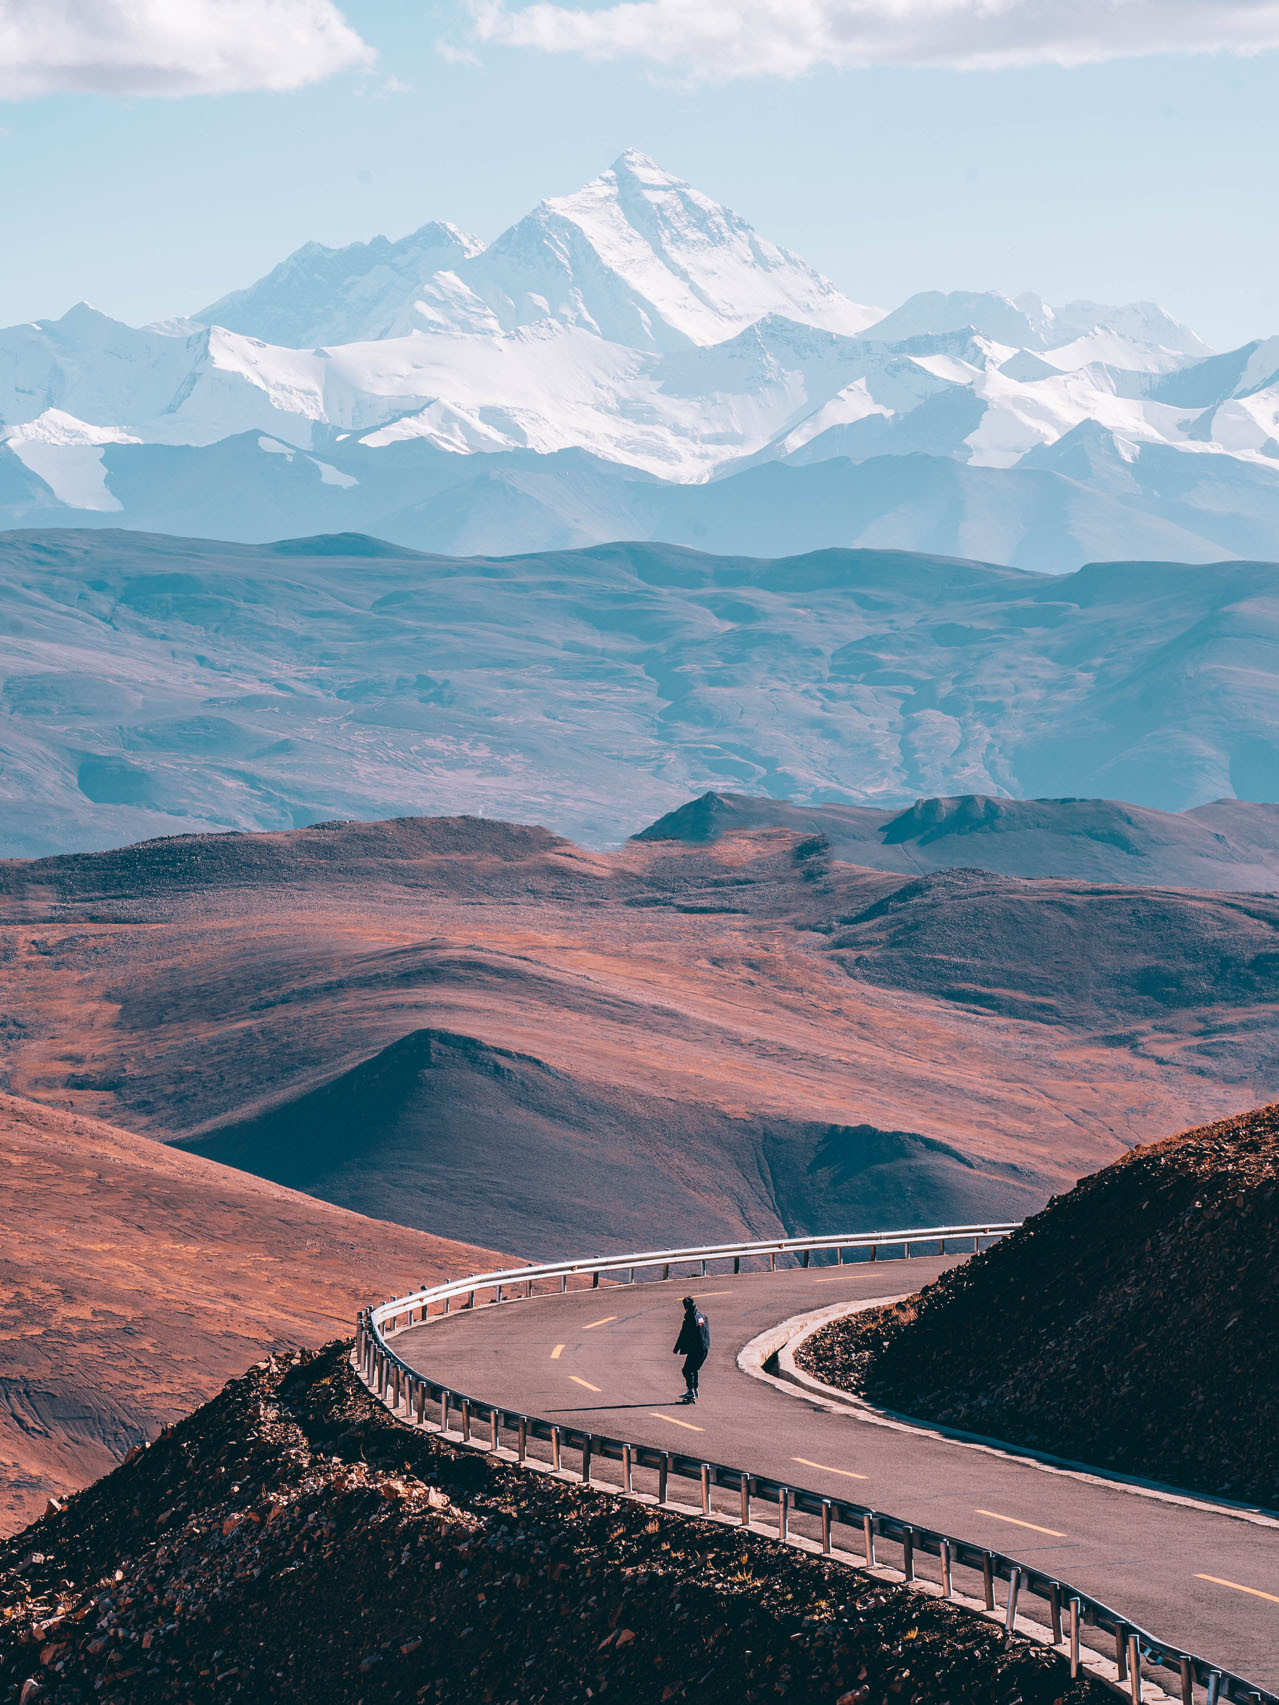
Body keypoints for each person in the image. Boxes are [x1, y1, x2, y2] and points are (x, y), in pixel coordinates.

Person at [673, 1295, 710, 1403]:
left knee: (686, 1370)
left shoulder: (689, 1319)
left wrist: (676, 1348)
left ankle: (690, 1391)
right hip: (705, 1347)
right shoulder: (702, 1316)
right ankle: (694, 1389)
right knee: (694, 1369)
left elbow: (683, 1335)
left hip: (696, 1349)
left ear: (685, 1307)